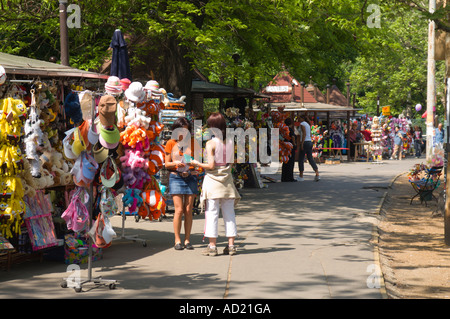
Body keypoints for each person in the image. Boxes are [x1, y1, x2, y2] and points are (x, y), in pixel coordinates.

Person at [191, 112, 241, 256]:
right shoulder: (230, 142)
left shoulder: (210, 143)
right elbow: (231, 162)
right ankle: (231, 245)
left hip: (212, 182)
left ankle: (212, 246)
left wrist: (197, 163)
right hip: (227, 182)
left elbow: (211, 165)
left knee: (211, 213)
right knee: (229, 214)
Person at [164, 117, 200, 250]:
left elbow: (198, 163)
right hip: (176, 177)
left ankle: (187, 240)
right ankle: (177, 240)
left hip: (190, 177)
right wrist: (175, 163)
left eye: (186, 131)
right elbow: (167, 164)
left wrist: (191, 168)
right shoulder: (170, 143)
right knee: (178, 210)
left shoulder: (193, 142)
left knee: (188, 209)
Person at [297, 114, 320, 181]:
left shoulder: (302, 124)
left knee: (301, 159)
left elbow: (304, 134)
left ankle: (301, 176)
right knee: (310, 159)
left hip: (305, 142)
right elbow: (309, 134)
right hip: (309, 142)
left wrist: (302, 143)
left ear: (302, 118)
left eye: (299, 118)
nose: (298, 120)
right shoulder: (308, 124)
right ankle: (317, 174)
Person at [281, 118, 297, 182]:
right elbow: (292, 137)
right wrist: (294, 144)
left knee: (285, 162)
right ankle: (289, 177)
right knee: (290, 162)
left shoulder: (283, 129)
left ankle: (284, 177)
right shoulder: (290, 129)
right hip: (290, 147)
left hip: (284, 146)